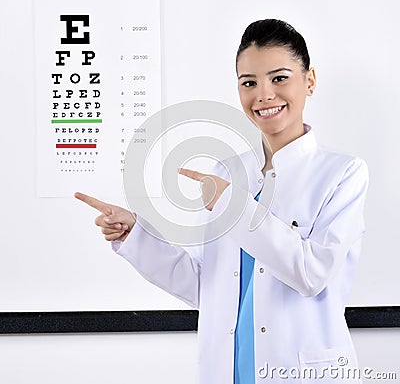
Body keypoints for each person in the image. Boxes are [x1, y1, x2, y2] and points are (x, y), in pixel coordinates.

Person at [75, 19, 369, 383]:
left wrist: (233, 205)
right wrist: (136, 234)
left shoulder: (342, 173)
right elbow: (206, 285)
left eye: (279, 78)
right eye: (249, 83)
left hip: (300, 370)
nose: (263, 95)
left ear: (309, 80)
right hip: (229, 368)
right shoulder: (227, 173)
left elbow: (311, 275)